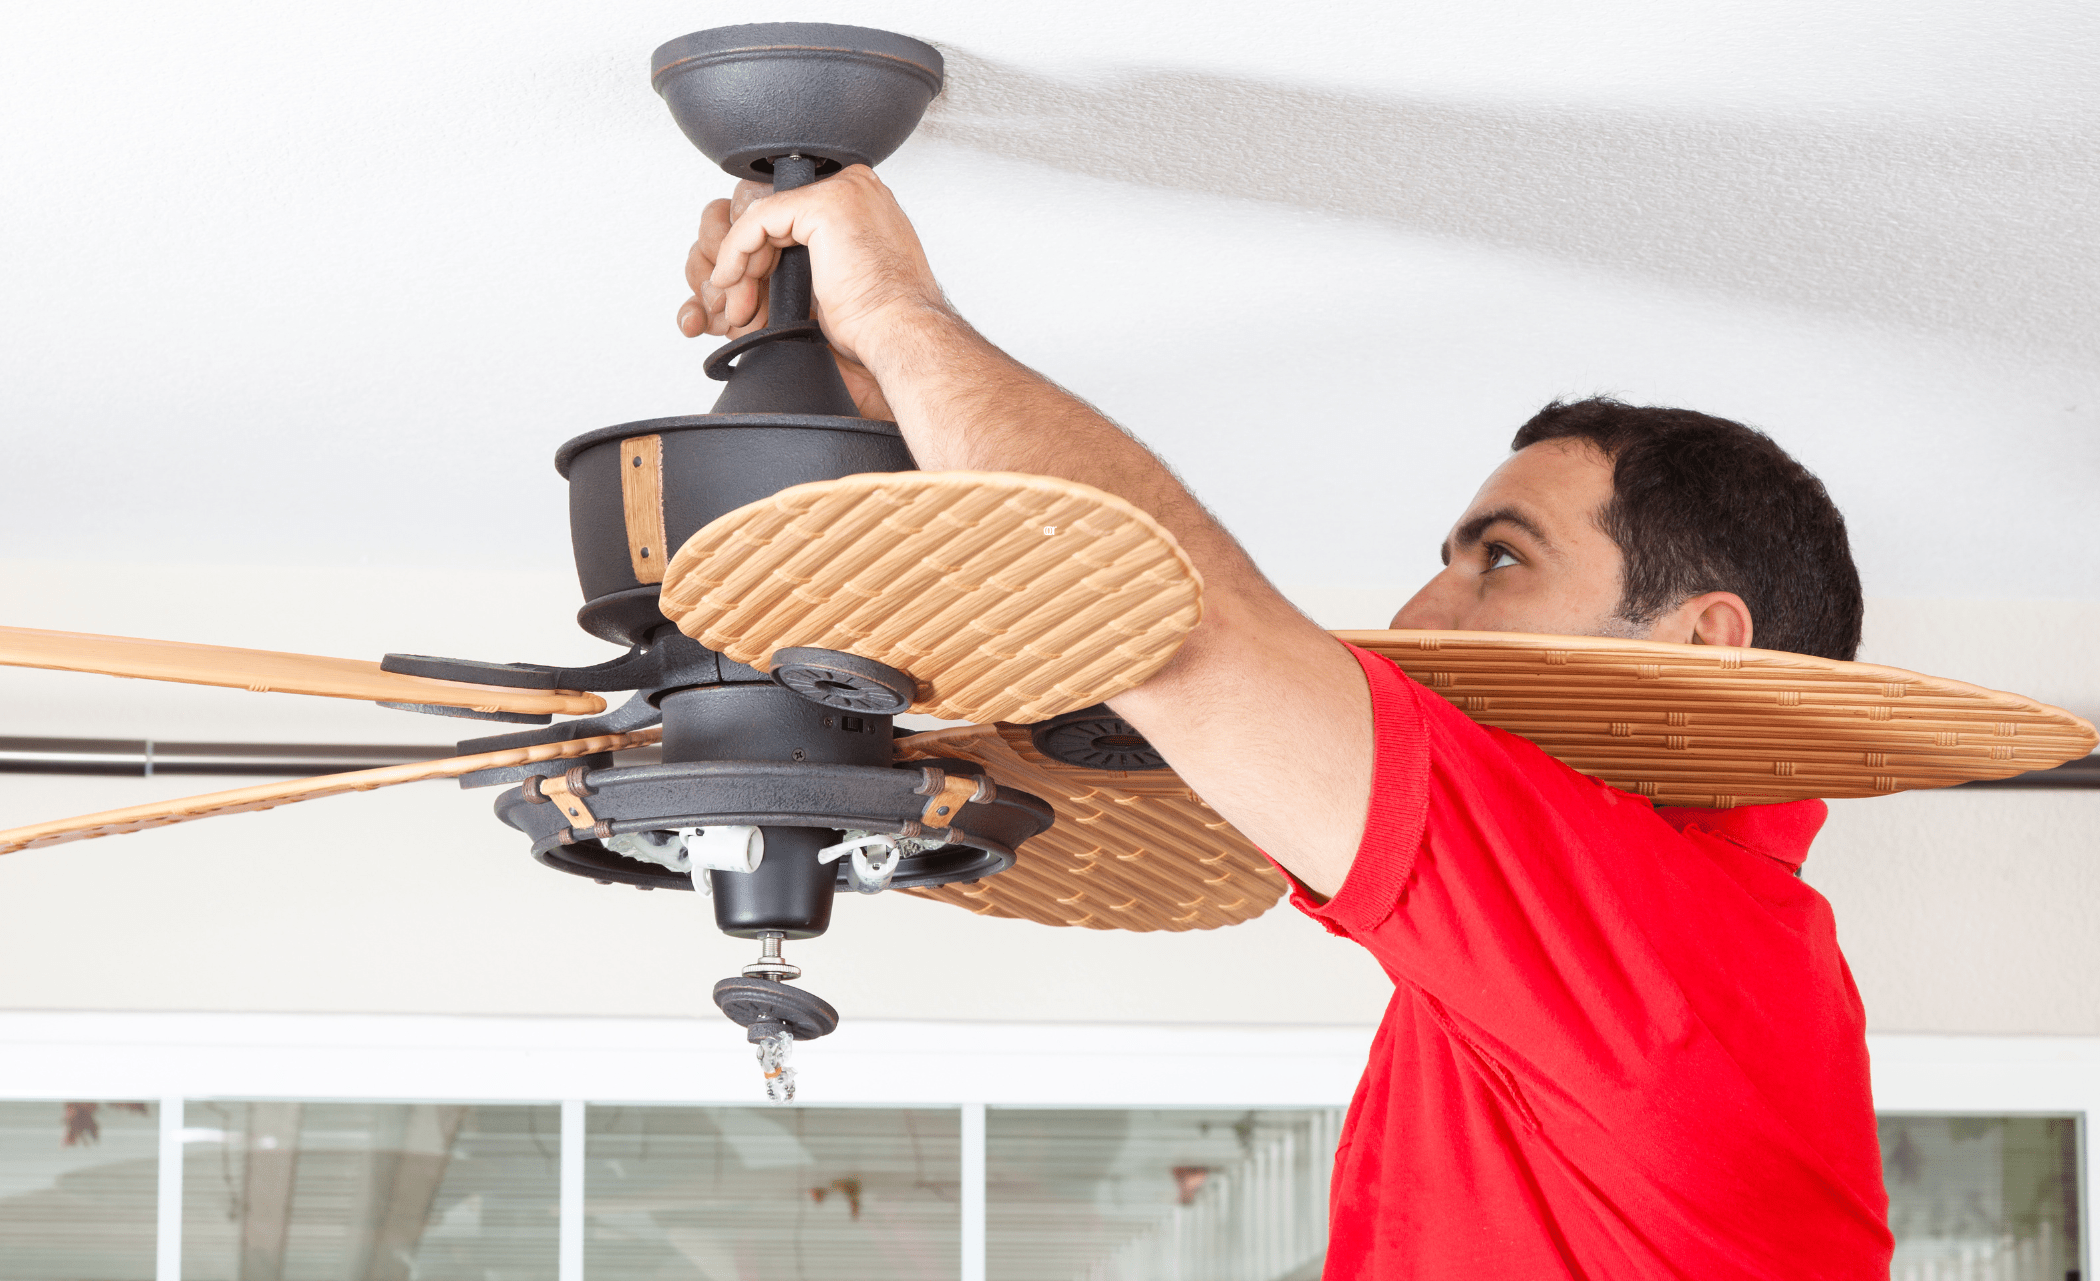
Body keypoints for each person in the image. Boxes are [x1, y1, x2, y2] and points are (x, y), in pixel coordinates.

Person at [678, 168, 1894, 1279]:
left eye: (1501, 562)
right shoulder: (1630, 959)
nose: (1418, 613)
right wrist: (886, 393)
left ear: (1701, 639)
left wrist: (895, 310)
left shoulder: (1668, 941)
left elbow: (1162, 623)